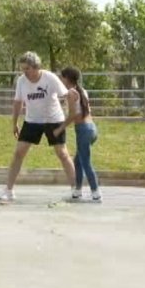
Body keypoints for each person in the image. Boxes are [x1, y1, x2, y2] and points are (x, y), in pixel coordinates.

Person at [0, 51, 77, 201]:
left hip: (53, 119)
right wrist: (14, 123)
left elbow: (65, 94)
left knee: (62, 154)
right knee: (18, 153)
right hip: (32, 120)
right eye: (22, 69)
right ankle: (8, 190)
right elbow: (18, 102)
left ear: (36, 67)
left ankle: (75, 189)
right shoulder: (21, 81)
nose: (24, 72)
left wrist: (71, 94)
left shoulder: (50, 78)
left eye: (27, 68)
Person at [54, 66, 102, 201]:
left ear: (66, 79)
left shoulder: (71, 93)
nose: (60, 80)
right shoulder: (82, 91)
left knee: (85, 162)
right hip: (92, 128)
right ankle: (77, 191)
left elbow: (73, 115)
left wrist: (60, 128)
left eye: (61, 77)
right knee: (78, 161)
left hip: (83, 130)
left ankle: (95, 191)